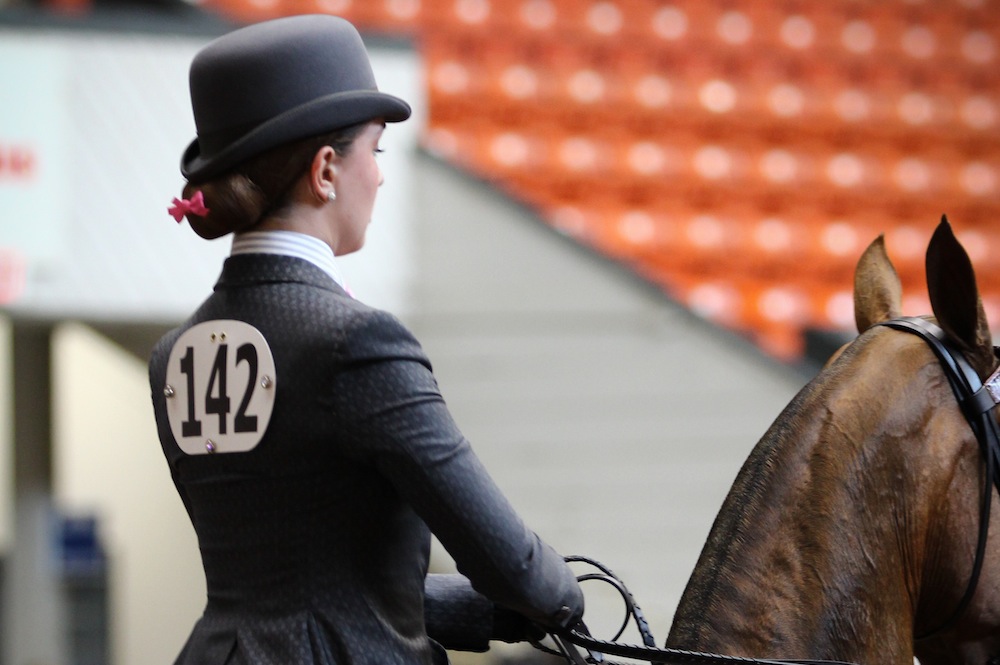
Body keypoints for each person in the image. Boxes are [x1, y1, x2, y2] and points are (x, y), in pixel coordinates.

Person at [147, 13, 585, 665]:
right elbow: (508, 559)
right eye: (375, 151)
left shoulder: (172, 355)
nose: (379, 175)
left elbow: (294, 576)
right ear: (326, 171)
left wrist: (480, 610)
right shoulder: (356, 342)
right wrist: (559, 596)